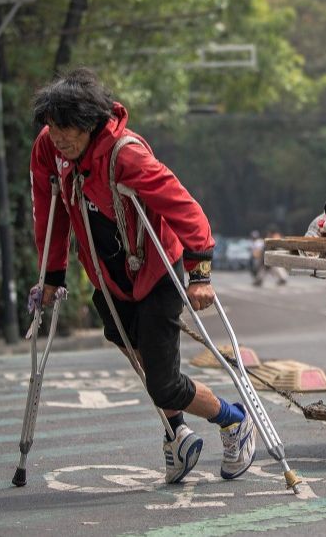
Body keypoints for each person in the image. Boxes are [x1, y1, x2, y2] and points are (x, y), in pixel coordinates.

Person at [29, 68, 254, 484]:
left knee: (164, 384)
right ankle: (178, 435)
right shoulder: (49, 150)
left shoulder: (125, 154)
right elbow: (50, 209)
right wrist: (52, 276)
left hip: (154, 273)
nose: (58, 138)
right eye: (52, 128)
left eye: (67, 130)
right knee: (145, 363)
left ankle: (233, 420)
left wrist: (200, 271)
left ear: (90, 122)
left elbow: (185, 209)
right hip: (107, 278)